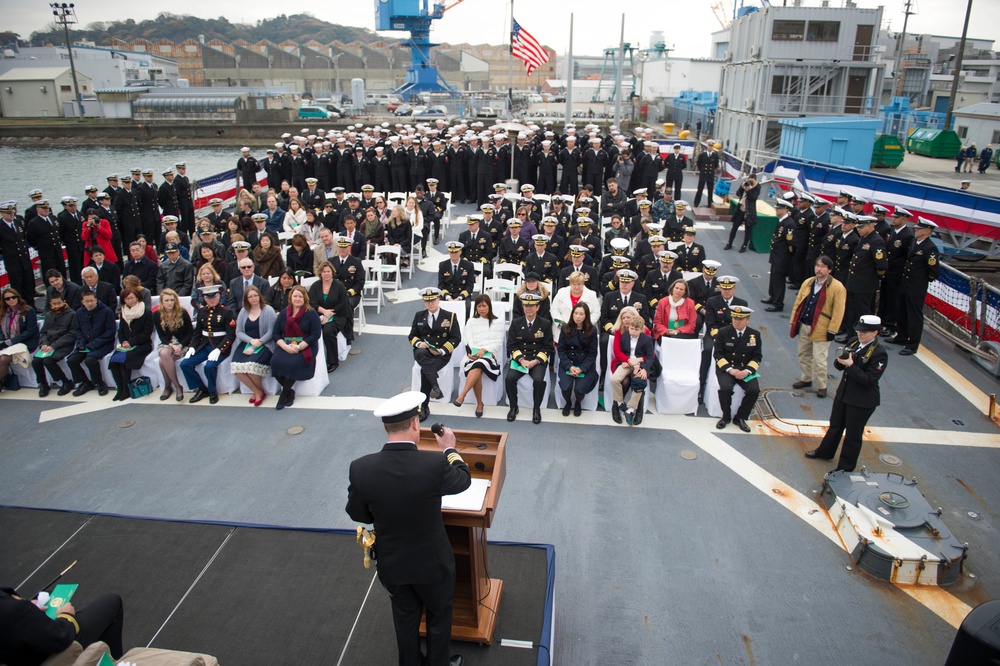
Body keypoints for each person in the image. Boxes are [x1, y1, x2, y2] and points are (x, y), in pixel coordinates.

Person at [345, 391, 470, 666]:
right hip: (433, 564)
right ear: (415, 424)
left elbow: (357, 513)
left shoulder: (361, 468)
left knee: (404, 620)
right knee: (439, 616)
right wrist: (450, 448)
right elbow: (462, 481)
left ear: (386, 427)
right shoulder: (435, 464)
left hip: (393, 562)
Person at [805, 315, 888, 472]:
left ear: (875, 332)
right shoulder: (853, 342)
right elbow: (840, 365)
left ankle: (845, 467)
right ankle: (825, 452)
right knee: (835, 425)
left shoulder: (879, 354)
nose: (860, 334)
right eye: (859, 331)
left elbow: (869, 380)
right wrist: (840, 361)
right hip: (844, 394)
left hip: (862, 401)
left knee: (853, 435)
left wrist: (850, 365)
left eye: (864, 332)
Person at [0, 586, 125, 665]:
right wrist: (66, 616)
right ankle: (114, 662)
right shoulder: (14, 610)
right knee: (112, 602)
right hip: (50, 656)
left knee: (49, 594)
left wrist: (28, 611)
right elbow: (60, 636)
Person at [409, 288, 461, 421]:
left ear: (438, 300)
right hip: (423, 351)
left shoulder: (450, 316)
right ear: (424, 303)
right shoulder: (419, 315)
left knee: (425, 370)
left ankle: (424, 406)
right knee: (421, 354)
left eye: (433, 300)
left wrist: (442, 350)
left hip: (440, 353)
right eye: (427, 301)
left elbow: (456, 338)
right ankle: (434, 387)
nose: (430, 304)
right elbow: (412, 336)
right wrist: (419, 343)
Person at [891, 217, 941, 356]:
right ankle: (901, 336)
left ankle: (912, 345)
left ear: (927, 231)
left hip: (916, 287)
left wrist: (921, 280)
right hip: (905, 284)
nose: (916, 230)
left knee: (914, 316)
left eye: (919, 229)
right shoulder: (914, 242)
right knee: (902, 312)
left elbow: (934, 271)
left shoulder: (930, 248)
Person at [181, 284, 236, 405]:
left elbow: (231, 335)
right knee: (185, 364)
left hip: (219, 345)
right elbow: (197, 333)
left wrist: (219, 349)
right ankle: (201, 389)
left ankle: (212, 391)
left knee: (209, 366)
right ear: (204, 298)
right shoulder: (202, 311)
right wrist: (192, 347)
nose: (212, 300)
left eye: (214, 297)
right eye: (208, 297)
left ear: (219, 296)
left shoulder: (227, 312)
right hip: (204, 344)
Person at [505, 293, 553, 424]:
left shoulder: (545, 324)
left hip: (537, 360)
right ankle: (513, 407)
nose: (528, 308)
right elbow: (511, 345)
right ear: (522, 306)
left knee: (538, 380)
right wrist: (521, 359)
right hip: (521, 359)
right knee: (509, 379)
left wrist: (536, 361)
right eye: (526, 305)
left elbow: (548, 347)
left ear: (538, 307)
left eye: (532, 306)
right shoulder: (516, 323)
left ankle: (536, 409)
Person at [271, 285, 322, 410]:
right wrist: (284, 346)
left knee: (293, 363)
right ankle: (290, 392)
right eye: (295, 296)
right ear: (290, 298)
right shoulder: (284, 313)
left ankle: (284, 394)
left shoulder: (311, 313)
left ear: (305, 298)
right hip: (286, 345)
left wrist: (299, 347)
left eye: (300, 296)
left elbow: (316, 334)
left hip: (305, 345)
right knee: (274, 362)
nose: (298, 299)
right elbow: (275, 334)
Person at [452, 294, 503, 418]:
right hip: (474, 355)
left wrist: (484, 349)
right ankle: (479, 403)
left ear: (489, 306)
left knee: (479, 364)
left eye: (484, 306)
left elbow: (498, 342)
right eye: (479, 306)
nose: (481, 309)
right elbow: (467, 339)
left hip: (490, 355)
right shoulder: (471, 321)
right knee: (477, 366)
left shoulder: (498, 321)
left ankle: (462, 396)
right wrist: (470, 352)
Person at [713, 305, 761, 432]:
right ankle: (726, 416)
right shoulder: (723, 332)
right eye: (735, 318)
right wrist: (730, 370)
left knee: (754, 390)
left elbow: (757, 356)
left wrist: (747, 371)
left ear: (748, 320)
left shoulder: (754, 335)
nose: (737, 321)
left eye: (741, 319)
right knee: (725, 389)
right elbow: (718, 354)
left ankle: (740, 417)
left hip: (745, 369)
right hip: (727, 368)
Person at [231, 285, 277, 406]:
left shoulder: (268, 310)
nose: (253, 298)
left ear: (259, 296)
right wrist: (251, 341)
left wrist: (257, 344)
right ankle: (257, 391)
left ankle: (258, 393)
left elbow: (271, 332)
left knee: (251, 366)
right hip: (247, 343)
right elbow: (239, 332)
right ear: (246, 299)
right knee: (236, 368)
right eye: (250, 296)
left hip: (265, 344)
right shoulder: (243, 311)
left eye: (255, 295)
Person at [65, 289, 115, 396]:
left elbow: (110, 332)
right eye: (87, 301)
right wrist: (81, 343)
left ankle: (100, 383)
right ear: (82, 302)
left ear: (96, 300)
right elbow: (77, 330)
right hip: (85, 344)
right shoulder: (79, 313)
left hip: (103, 344)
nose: (90, 303)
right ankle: (85, 382)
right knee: (71, 360)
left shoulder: (106, 311)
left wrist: (93, 344)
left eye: (92, 301)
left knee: (90, 360)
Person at [107, 287, 153, 401]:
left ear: (138, 298)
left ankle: (126, 390)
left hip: (142, 344)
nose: (130, 301)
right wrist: (123, 341)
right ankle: (120, 388)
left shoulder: (145, 312)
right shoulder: (123, 312)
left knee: (124, 359)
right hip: (126, 344)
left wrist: (131, 342)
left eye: (132, 298)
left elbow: (146, 333)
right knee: (113, 360)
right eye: (127, 299)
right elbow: (121, 330)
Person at [610, 316, 656, 426]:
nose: (633, 331)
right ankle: (620, 402)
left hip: (640, 365)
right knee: (614, 379)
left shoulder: (647, 339)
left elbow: (650, 357)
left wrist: (644, 368)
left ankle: (630, 410)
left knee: (639, 383)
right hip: (627, 363)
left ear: (641, 329)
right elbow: (622, 352)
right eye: (631, 328)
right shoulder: (625, 337)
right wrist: (625, 361)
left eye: (636, 329)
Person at [31, 293, 77, 397]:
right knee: (36, 361)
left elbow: (72, 334)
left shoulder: (72, 314)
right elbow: (43, 332)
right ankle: (43, 383)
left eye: (59, 303)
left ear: (64, 302)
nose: (57, 305)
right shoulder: (48, 315)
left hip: (63, 344)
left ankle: (66, 382)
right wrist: (44, 344)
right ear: (50, 304)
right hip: (48, 344)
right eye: (54, 303)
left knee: (49, 361)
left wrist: (54, 345)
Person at [557, 302, 599, 417]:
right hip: (568, 362)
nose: (578, 316)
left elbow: (592, 353)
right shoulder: (566, 328)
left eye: (581, 314)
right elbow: (561, 350)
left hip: (584, 363)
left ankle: (578, 402)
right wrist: (569, 366)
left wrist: (582, 368)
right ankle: (568, 402)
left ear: (586, 316)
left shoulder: (592, 330)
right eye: (576, 313)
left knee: (580, 389)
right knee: (566, 387)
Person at [308, 261, 350, 373]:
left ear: (332, 272)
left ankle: (333, 361)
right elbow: (312, 303)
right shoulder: (315, 286)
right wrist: (324, 312)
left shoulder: (339, 286)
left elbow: (342, 304)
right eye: (324, 271)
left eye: (328, 271)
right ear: (320, 273)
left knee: (328, 331)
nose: (326, 274)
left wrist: (329, 314)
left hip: (338, 314)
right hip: (319, 314)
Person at [153, 287, 193, 402]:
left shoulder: (182, 312)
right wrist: (171, 345)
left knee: (162, 361)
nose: (170, 303)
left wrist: (180, 345)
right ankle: (177, 386)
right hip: (168, 343)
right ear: (162, 301)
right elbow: (161, 335)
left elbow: (190, 333)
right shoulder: (156, 314)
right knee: (164, 353)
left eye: (172, 300)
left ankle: (167, 387)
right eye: (166, 300)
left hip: (183, 343)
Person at [0, 287, 40, 388]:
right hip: (8, 343)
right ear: (4, 301)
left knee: (3, 359)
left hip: (25, 342)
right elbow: (0, 330)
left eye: (13, 297)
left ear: (18, 297)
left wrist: (10, 342)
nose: (11, 300)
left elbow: (30, 331)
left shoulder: (28, 311)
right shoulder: (3, 313)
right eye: (7, 299)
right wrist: (2, 341)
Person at [762, 200, 797, 312]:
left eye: (779, 208)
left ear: (786, 209)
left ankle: (778, 303)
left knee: (779, 280)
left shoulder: (789, 224)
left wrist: (786, 257)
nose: (777, 210)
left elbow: (791, 244)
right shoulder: (781, 221)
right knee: (773, 278)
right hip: (776, 255)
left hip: (782, 257)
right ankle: (772, 297)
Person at [550, 271, 600, 341]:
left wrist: (586, 324)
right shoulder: (561, 292)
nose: (576, 287)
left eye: (579, 284)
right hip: (563, 331)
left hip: (584, 333)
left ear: (583, 283)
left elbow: (596, 312)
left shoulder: (591, 295)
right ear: (570, 283)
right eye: (574, 284)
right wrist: (560, 323)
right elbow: (554, 309)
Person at [725, 173, 760, 252]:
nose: (750, 182)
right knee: (734, 227)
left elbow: (753, 198)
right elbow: (738, 194)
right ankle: (729, 243)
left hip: (749, 211)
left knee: (747, 230)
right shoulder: (745, 184)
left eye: (752, 181)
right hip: (740, 209)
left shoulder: (758, 187)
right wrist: (742, 186)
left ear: (755, 180)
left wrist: (749, 189)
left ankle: (744, 246)